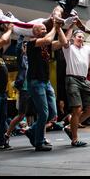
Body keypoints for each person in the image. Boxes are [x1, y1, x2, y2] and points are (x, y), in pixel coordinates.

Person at [23, 21, 66, 151]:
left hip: (46, 82)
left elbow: (63, 43)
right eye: (41, 29)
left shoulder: (47, 45)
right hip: (35, 82)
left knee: (52, 113)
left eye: (45, 29)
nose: (44, 30)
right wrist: (54, 27)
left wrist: (59, 29)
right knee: (43, 113)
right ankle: (39, 142)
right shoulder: (31, 44)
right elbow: (47, 39)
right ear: (34, 32)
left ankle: (32, 131)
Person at [61, 28, 90, 147]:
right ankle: (75, 139)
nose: (81, 38)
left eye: (82, 37)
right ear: (73, 38)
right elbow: (65, 41)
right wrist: (71, 27)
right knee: (77, 109)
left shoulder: (86, 49)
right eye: (79, 36)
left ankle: (70, 126)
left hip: (84, 80)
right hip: (72, 79)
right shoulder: (68, 48)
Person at [0, 0, 90, 37]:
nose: (76, 3)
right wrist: (64, 21)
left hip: (45, 32)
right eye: (75, 0)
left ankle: (11, 17)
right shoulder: (59, 8)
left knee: (20, 26)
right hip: (39, 26)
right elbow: (55, 17)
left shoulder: (73, 13)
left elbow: (81, 26)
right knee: (17, 29)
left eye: (77, 1)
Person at [4, 36, 30, 144]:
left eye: (27, 46)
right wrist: (21, 35)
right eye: (25, 46)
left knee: (40, 113)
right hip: (24, 90)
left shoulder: (32, 59)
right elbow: (18, 49)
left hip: (34, 89)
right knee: (21, 115)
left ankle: (39, 137)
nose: (26, 48)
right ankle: (7, 134)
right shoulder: (22, 58)